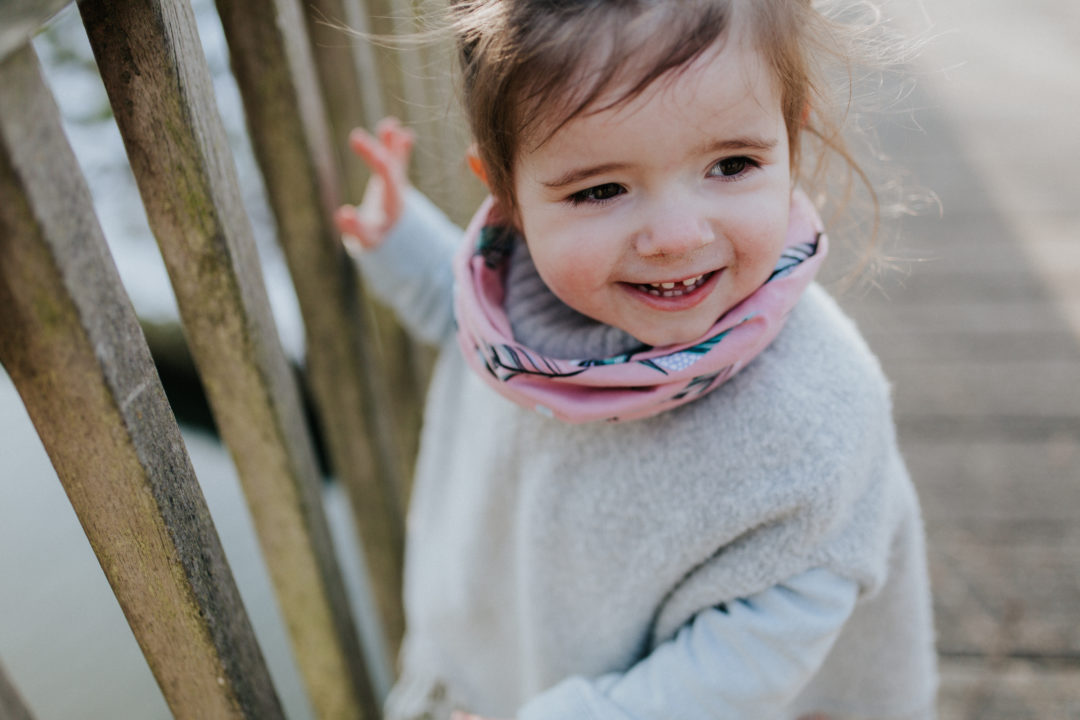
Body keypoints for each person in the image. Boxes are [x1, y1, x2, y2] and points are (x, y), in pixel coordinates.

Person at [334, 1, 937, 718]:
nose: (677, 236)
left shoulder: (817, 422)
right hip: (508, 662)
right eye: (601, 189)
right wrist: (400, 242)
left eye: (731, 164)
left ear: (791, 136)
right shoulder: (521, 292)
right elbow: (475, 330)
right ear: (507, 198)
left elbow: (744, 663)